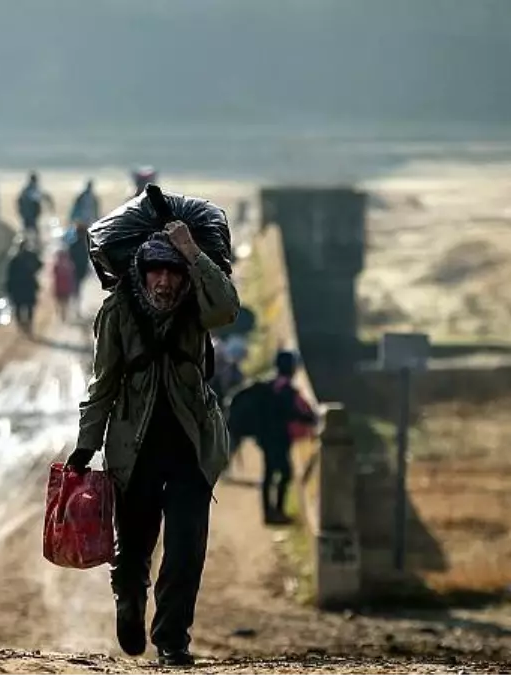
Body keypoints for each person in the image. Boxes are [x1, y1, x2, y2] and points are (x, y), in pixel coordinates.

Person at [66, 222, 239, 666]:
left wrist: (193, 253)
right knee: (135, 545)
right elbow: (102, 383)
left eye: (173, 271)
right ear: (142, 273)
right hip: (133, 447)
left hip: (191, 447)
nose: (164, 281)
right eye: (156, 271)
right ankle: (129, 598)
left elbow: (227, 309)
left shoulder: (199, 306)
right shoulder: (117, 313)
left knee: (185, 549)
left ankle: (172, 639)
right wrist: (86, 446)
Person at [233, 350, 318, 525]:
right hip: (278, 438)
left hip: (265, 436)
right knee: (285, 473)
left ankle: (270, 513)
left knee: (270, 473)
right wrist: (311, 419)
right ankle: (276, 512)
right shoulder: (285, 389)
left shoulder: (268, 385)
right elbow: (291, 413)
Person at [4, 236, 42, 333]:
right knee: (23, 307)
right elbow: (40, 264)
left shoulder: (15, 258)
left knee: (22, 307)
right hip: (24, 286)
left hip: (21, 286)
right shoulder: (20, 258)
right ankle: (24, 326)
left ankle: (25, 326)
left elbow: (40, 264)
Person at [17, 171, 55, 240]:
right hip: (30, 214)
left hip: (27, 214)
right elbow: (38, 197)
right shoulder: (32, 189)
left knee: (28, 229)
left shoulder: (26, 190)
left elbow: (19, 201)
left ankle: (28, 242)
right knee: (32, 229)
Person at [52, 248, 77, 322]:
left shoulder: (57, 265)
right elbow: (72, 277)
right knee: (64, 302)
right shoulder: (69, 264)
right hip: (65, 287)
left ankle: (62, 315)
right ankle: (63, 315)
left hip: (60, 287)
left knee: (61, 302)